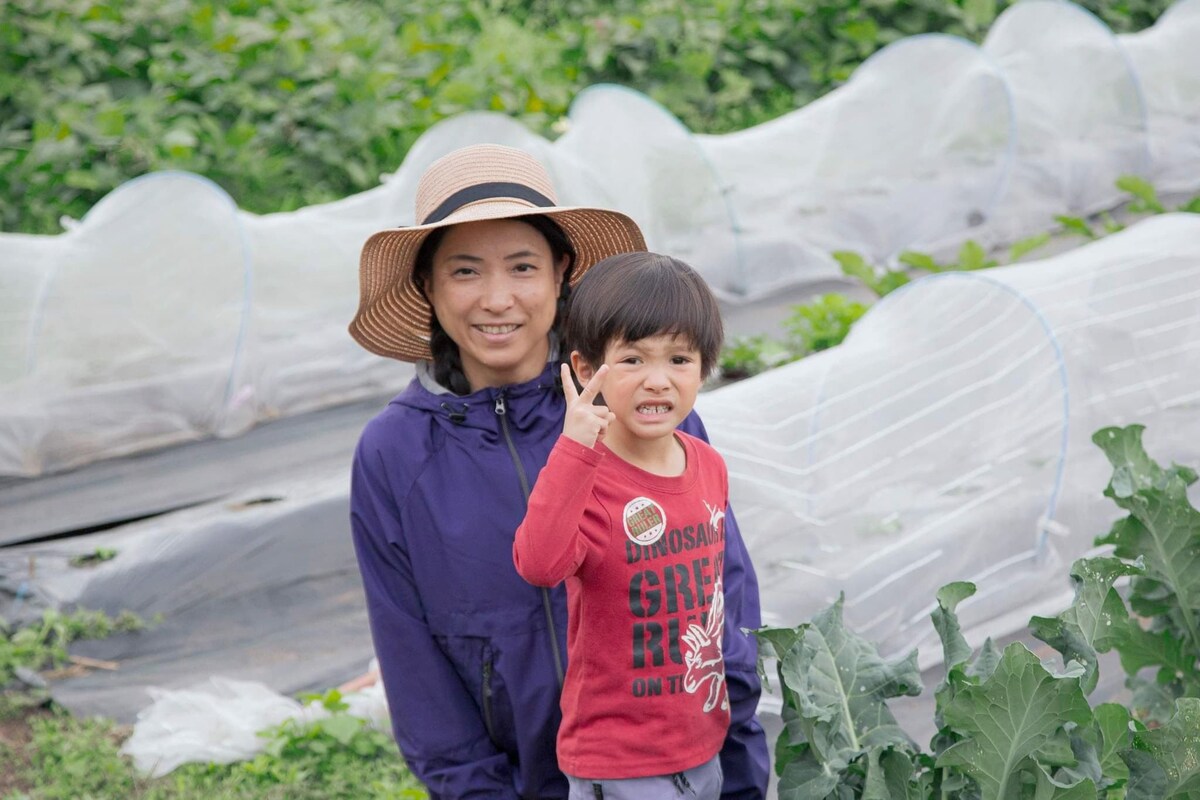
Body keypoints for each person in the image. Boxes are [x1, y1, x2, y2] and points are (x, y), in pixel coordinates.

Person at [347, 143, 769, 799]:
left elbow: (719, 593)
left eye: (522, 267)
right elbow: (412, 661)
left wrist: (739, 752)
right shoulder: (396, 454)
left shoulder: (636, 402)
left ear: (561, 271)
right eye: (464, 272)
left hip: (664, 769)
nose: (496, 300)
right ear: (428, 286)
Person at [514, 252, 732, 799]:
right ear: (588, 371)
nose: (657, 381)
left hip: (702, 742)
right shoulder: (585, 478)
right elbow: (539, 565)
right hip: (620, 764)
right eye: (633, 360)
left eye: (679, 359)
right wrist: (573, 447)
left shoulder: (708, 465)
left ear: (704, 367)